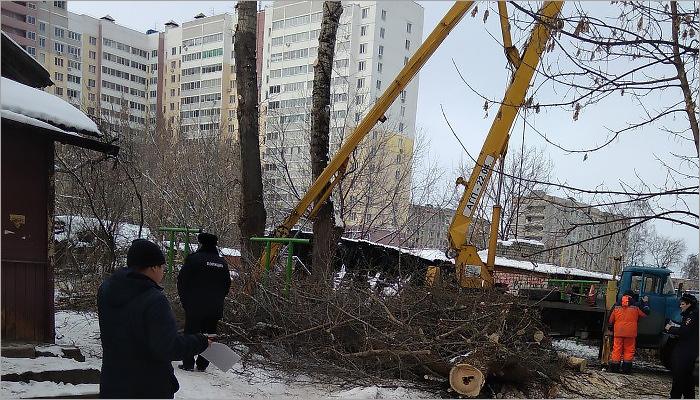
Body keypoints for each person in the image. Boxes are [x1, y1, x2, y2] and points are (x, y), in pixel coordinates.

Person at [97, 239, 210, 399]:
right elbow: (167, 347)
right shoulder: (154, 299)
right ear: (153, 267)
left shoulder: (106, 290)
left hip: (113, 384)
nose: (163, 271)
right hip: (149, 387)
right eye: (163, 267)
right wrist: (200, 342)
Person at [177, 232, 231, 372]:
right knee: (210, 334)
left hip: (195, 305)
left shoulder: (194, 259)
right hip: (215, 307)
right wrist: (218, 299)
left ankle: (188, 363)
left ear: (201, 244)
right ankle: (203, 364)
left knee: (191, 333)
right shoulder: (222, 263)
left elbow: (182, 281)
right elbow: (227, 284)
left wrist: (185, 301)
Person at [666, 293, 699, 399]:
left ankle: (675, 396)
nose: (680, 306)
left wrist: (670, 328)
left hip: (685, 351)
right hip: (689, 350)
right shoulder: (692, 314)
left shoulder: (692, 315)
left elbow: (685, 331)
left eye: (682, 304)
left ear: (689, 304)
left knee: (679, 376)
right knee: (687, 378)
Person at [608, 293, 649, 373]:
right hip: (630, 333)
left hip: (618, 332)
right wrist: (645, 303)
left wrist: (611, 327)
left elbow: (610, 319)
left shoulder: (616, 305)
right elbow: (646, 313)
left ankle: (615, 368)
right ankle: (626, 369)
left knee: (617, 349)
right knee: (629, 350)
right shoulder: (636, 306)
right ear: (632, 296)